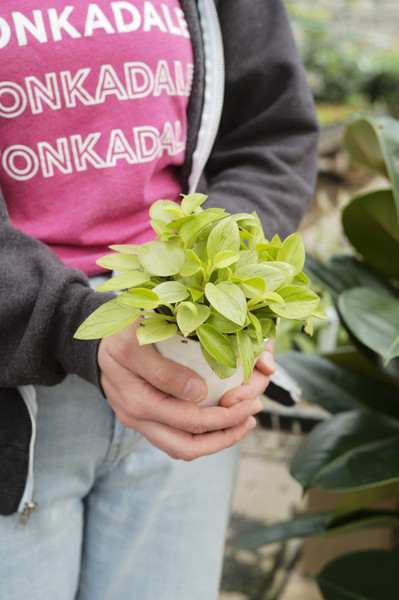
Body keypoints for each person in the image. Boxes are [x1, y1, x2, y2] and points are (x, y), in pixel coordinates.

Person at [0, 1, 319, 598]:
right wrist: (70, 323)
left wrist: (233, 279)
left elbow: (272, 132)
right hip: (16, 399)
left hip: (186, 368)